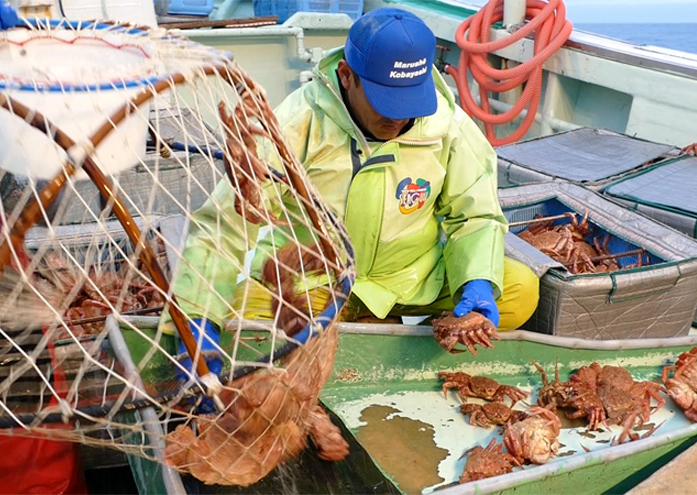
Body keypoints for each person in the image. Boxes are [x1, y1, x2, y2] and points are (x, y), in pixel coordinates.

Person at [166, 8, 540, 380]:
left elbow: (474, 216)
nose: (398, 120)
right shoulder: (296, 121)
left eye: (410, 102)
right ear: (346, 76)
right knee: (232, 320)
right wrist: (199, 318)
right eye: (385, 101)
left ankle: (406, 335)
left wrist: (476, 283)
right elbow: (224, 225)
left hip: (410, 279)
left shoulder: (449, 125)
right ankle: (385, 337)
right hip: (311, 283)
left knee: (520, 290)